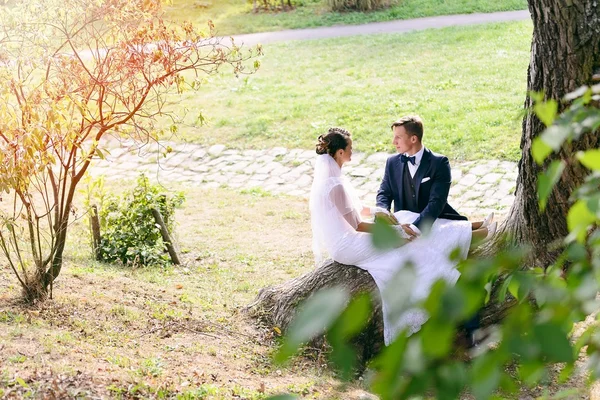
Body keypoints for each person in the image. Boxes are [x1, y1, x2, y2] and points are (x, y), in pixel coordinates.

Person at [310, 127, 494, 345]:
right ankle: (476, 239)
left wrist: (381, 211)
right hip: (348, 244)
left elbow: (358, 210)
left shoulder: (333, 180)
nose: (353, 150)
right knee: (409, 239)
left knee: (405, 217)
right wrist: (393, 232)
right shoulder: (335, 185)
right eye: (350, 147)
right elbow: (357, 225)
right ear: (340, 153)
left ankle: (475, 229)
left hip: (347, 239)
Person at [376, 115, 496, 238]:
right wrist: (382, 212)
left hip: (433, 218)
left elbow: (437, 202)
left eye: (398, 137)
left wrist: (415, 228)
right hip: (404, 220)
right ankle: (473, 227)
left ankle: (478, 232)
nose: (393, 142)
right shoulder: (392, 162)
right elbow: (384, 192)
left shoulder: (439, 163)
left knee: (438, 232)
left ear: (413, 139)